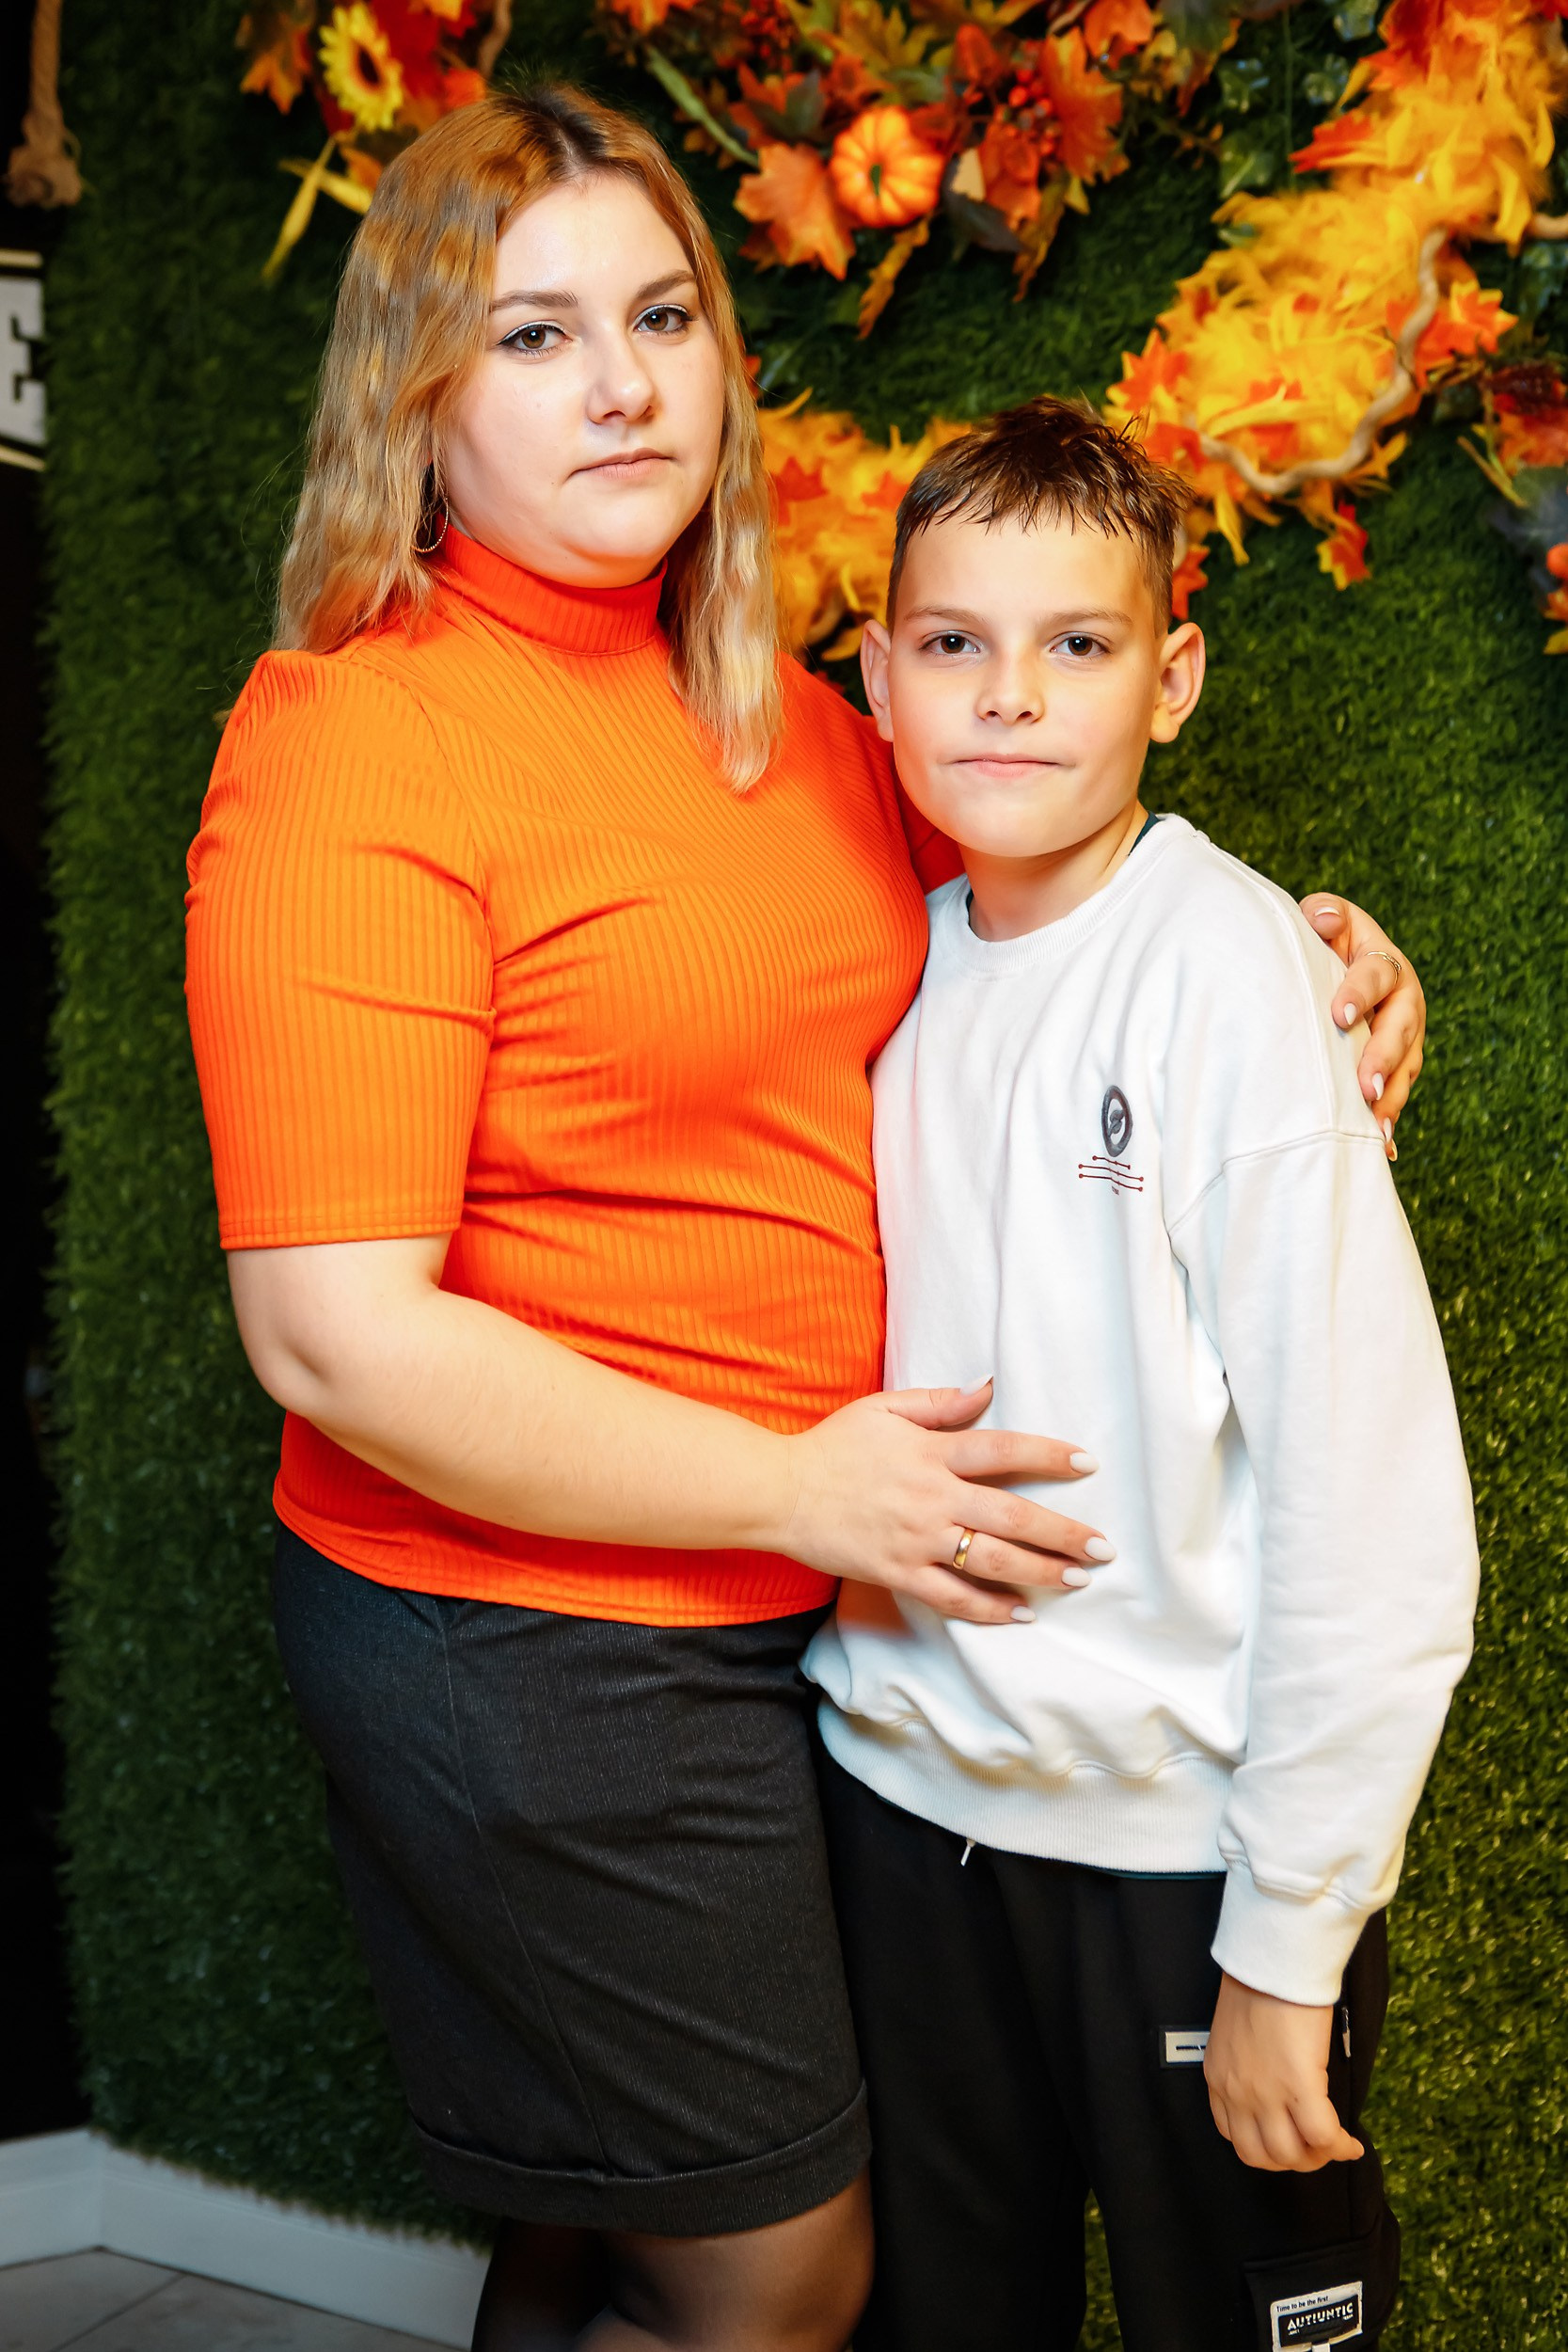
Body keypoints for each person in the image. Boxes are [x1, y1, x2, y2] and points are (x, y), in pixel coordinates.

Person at [184, 85, 1432, 2352]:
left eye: (662, 315)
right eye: (536, 333)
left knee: (620, 2220)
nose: (624, 383)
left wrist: (1310, 956)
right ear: (418, 391)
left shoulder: (773, 705)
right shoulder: (355, 739)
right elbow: (333, 1333)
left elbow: (1051, 863)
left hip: (823, 1626)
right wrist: (799, 1485)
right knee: (784, 2273)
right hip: (536, 1626)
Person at [805, 398, 1479, 2352]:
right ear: (879, 677)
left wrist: (1290, 1938)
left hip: (1183, 1861)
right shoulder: (880, 960)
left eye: (1078, 643)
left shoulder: (1237, 977)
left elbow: (1375, 1501)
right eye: (955, 642)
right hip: (903, 1824)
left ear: (1171, 678)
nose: (1010, 696)